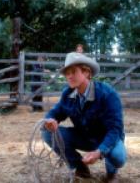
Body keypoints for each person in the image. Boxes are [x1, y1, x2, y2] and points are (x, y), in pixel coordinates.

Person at [41, 52, 127, 182]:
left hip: (107, 137)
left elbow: (115, 129)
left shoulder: (107, 94)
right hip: (84, 137)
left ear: (86, 72)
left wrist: (100, 152)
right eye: (67, 73)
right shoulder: (68, 93)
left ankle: (111, 172)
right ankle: (80, 168)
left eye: (73, 72)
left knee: (118, 157)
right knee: (47, 132)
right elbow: (55, 112)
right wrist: (50, 120)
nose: (69, 76)